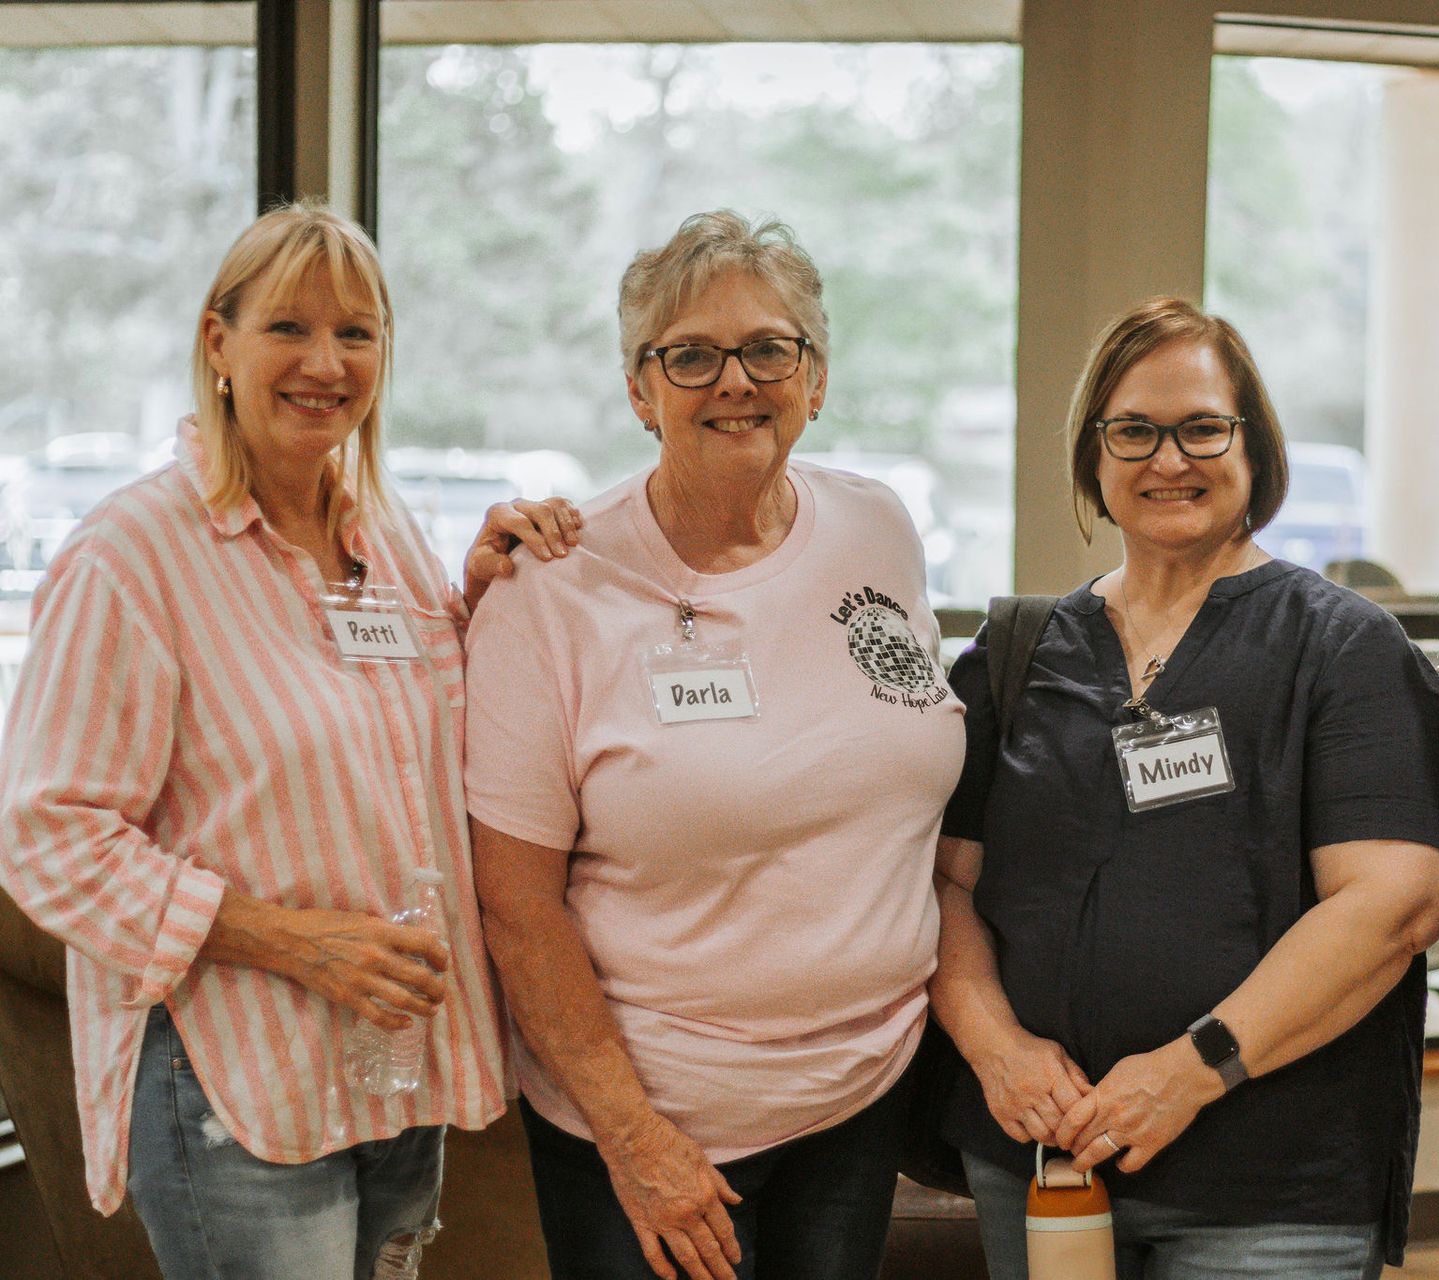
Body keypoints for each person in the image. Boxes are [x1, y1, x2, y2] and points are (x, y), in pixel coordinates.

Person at [0, 202, 582, 1279]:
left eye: (356, 333)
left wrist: (481, 592)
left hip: (395, 1057)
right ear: (216, 345)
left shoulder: (383, 527)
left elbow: (401, 727)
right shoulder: (130, 556)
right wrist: (295, 939)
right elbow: (47, 835)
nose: (326, 362)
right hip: (239, 1072)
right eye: (288, 328)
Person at [462, 209, 965, 1280]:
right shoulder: (551, 588)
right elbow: (516, 903)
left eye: (769, 347)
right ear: (641, 391)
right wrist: (634, 1135)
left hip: (862, 1090)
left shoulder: (878, 528)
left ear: (815, 376)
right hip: (656, 1121)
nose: (735, 378)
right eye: (690, 354)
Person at [931, 297, 1439, 1280]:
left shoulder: (1343, 649)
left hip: (1268, 1187)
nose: (1167, 458)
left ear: (1254, 447)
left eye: (1202, 427)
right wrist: (995, 1044)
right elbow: (946, 887)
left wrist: (1193, 1067)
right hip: (1045, 1166)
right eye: (1133, 429)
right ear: (1094, 452)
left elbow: (1398, 901)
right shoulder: (1016, 653)